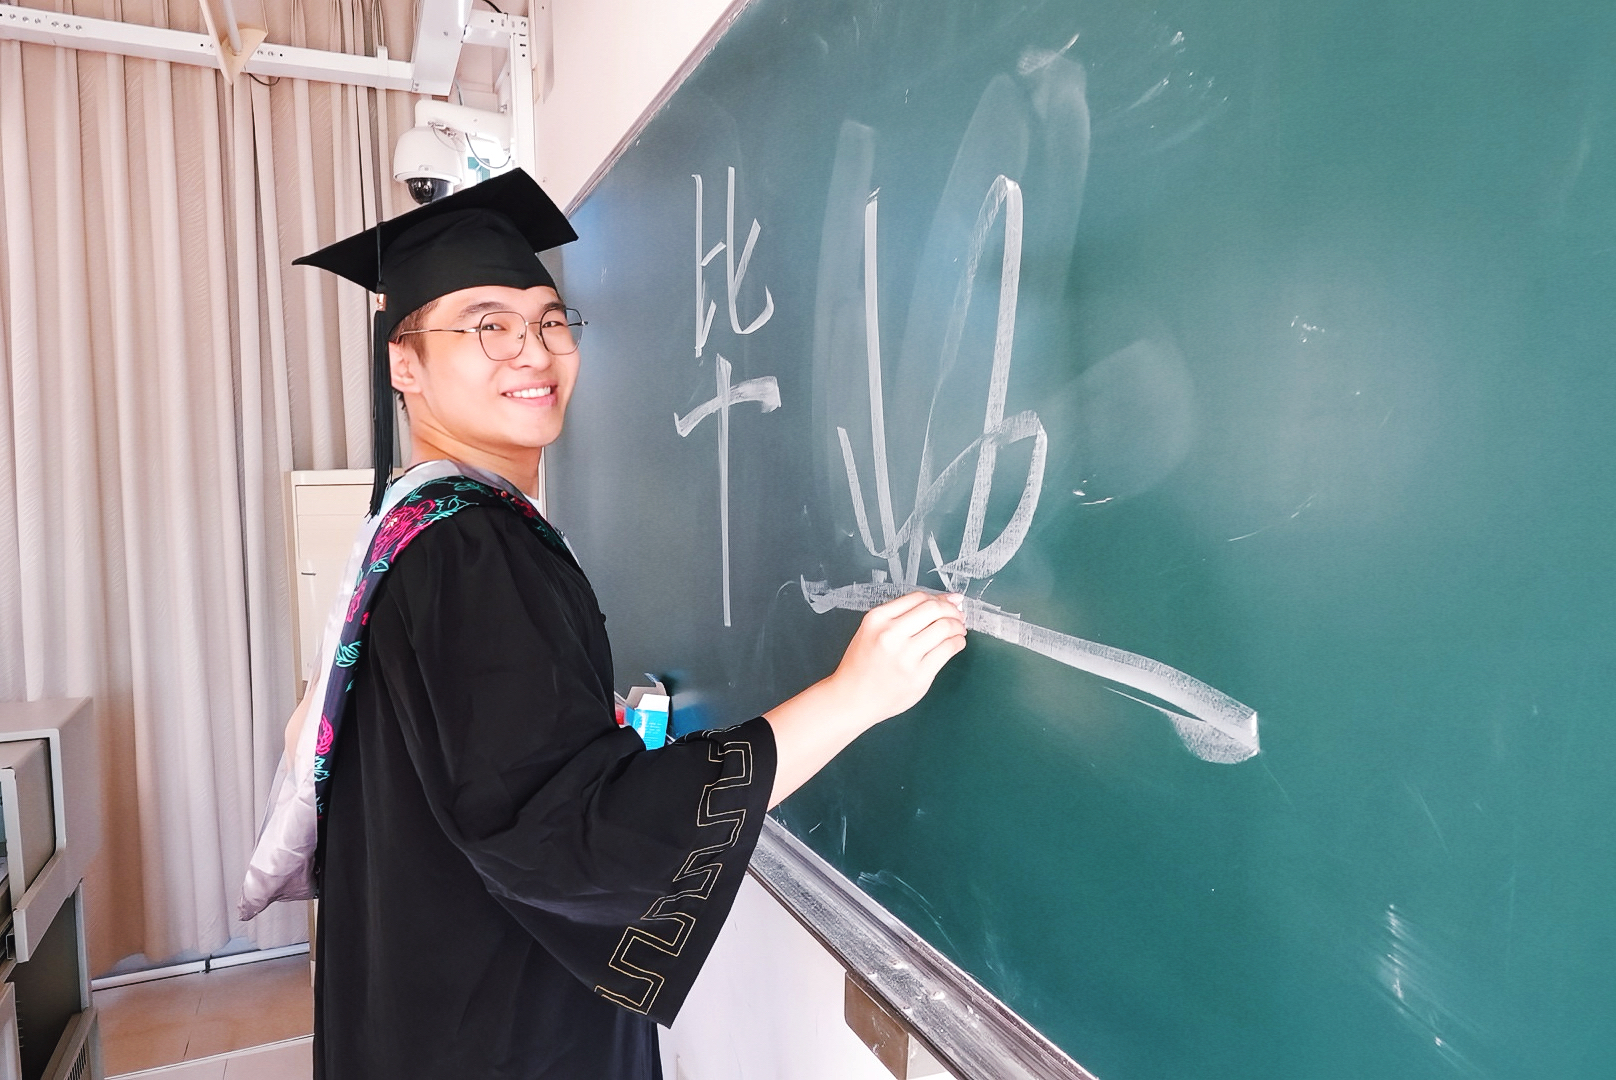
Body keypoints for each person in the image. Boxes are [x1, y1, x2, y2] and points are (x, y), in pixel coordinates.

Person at [260, 170, 966, 1079]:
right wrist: (853, 696)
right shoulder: (471, 549)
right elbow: (576, 836)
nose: (533, 352)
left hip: (422, 996)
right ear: (405, 363)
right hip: (499, 1033)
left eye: (551, 322)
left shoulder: (411, 527)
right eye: (488, 325)